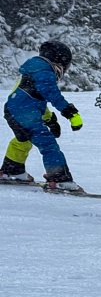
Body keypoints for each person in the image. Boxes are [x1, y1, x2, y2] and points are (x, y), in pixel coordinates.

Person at [0, 41, 86, 191]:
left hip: (15, 110)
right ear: (59, 62)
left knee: (23, 140)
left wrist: (50, 119)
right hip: (24, 113)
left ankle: (12, 170)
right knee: (48, 144)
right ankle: (59, 179)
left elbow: (34, 99)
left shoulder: (34, 70)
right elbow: (51, 94)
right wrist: (68, 111)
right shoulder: (44, 71)